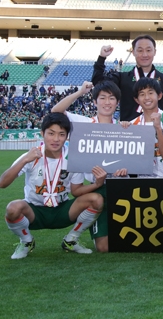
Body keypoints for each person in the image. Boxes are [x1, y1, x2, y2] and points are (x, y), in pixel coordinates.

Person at [0, 112, 104, 259]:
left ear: (67, 136)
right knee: (13, 208)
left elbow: (76, 191)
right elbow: (2, 183)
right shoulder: (32, 156)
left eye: (61, 134)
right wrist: (24, 161)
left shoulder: (72, 158)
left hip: (62, 210)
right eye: (51, 133)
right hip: (34, 211)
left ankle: (71, 239)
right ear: (42, 133)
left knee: (96, 199)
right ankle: (27, 241)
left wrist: (98, 184)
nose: (56, 139)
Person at [51, 80, 126, 252]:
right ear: (94, 102)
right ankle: (77, 236)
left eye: (112, 98)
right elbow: (56, 111)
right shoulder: (82, 123)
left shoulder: (124, 127)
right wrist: (79, 92)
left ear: (117, 102)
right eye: (103, 98)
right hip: (96, 188)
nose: (107, 102)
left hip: (120, 187)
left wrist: (125, 171)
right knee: (103, 248)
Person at [92, 35, 163, 121]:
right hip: (129, 131)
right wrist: (102, 58)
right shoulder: (122, 78)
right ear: (133, 52)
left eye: (148, 50)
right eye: (140, 50)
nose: (144, 54)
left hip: (157, 131)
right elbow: (98, 83)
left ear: (154, 52)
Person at [130, 78, 163, 177]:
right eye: (142, 94)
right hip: (144, 182)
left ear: (159, 96)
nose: (147, 97)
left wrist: (158, 128)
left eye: (150, 93)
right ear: (137, 100)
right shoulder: (133, 125)